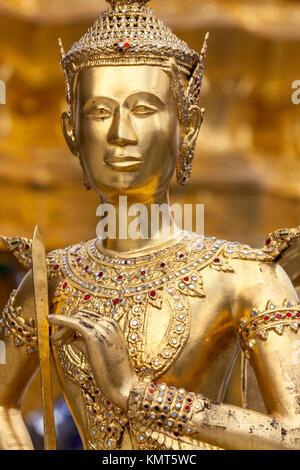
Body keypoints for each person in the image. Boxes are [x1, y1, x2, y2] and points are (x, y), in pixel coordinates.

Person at [0, 0, 300, 450]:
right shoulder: (51, 279)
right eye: (99, 112)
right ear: (70, 131)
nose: (121, 132)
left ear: (189, 126)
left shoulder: (245, 276)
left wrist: (134, 394)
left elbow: (292, 433)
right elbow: (3, 405)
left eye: (143, 109)